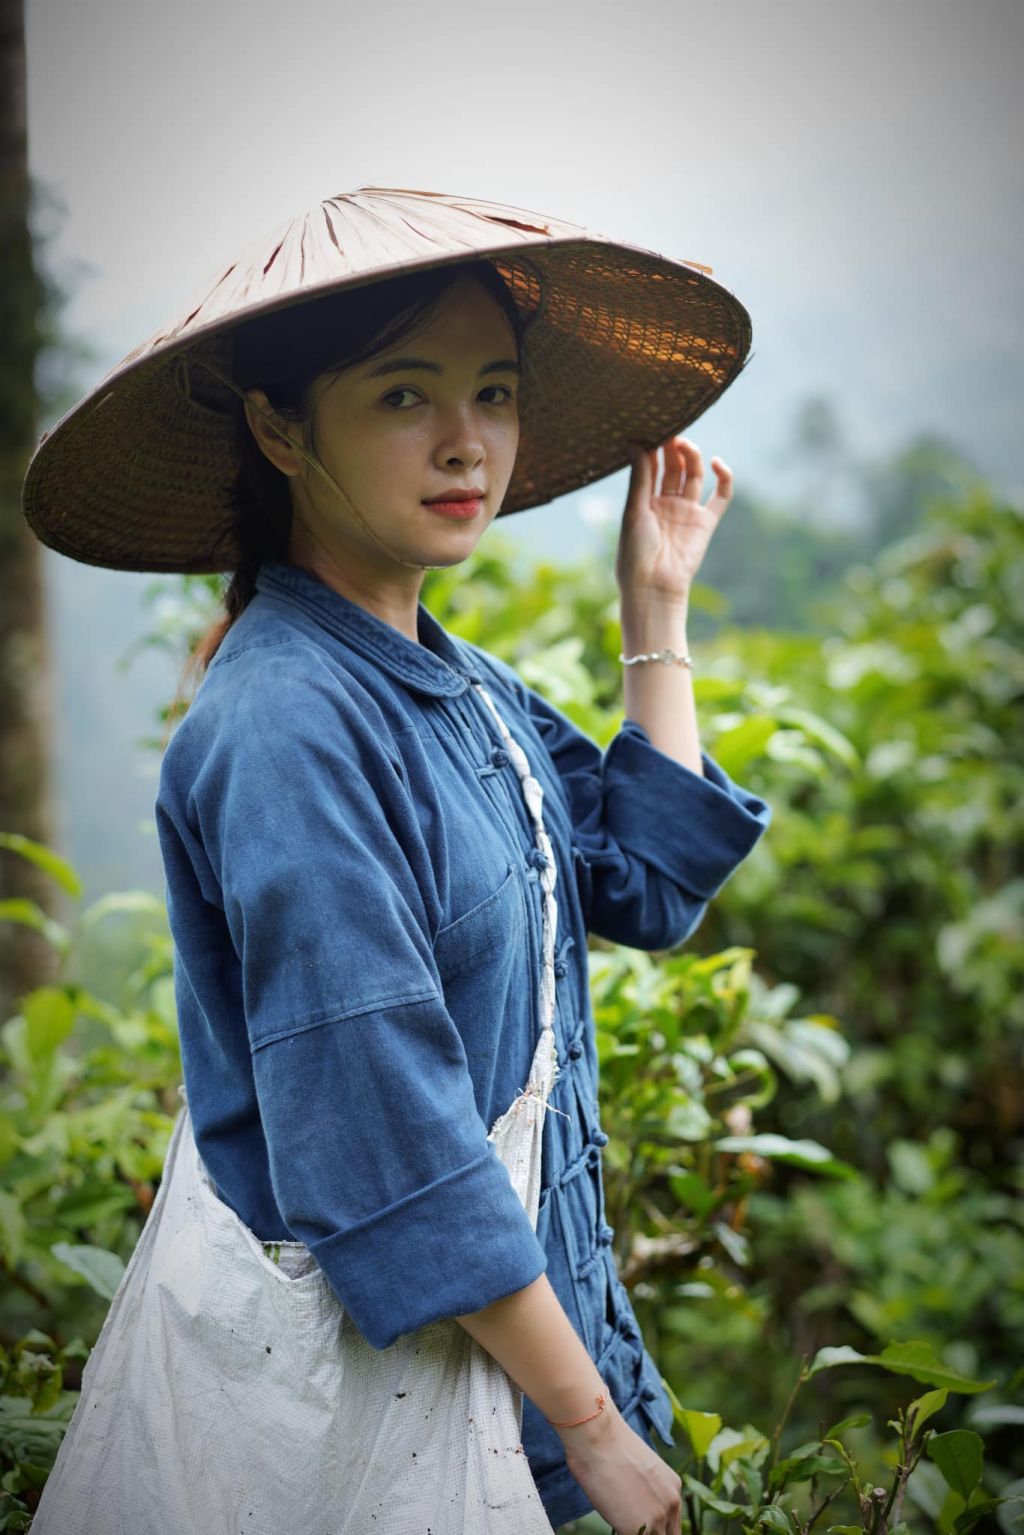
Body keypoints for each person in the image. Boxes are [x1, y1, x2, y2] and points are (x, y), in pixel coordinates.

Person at [23, 187, 772, 1534]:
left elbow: (644, 883)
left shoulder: (453, 681)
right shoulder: (285, 726)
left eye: (493, 392)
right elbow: (386, 1138)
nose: (465, 440)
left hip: (527, 1379)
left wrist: (653, 601)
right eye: (403, 395)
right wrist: (590, 1426)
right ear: (279, 428)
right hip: (395, 1421)